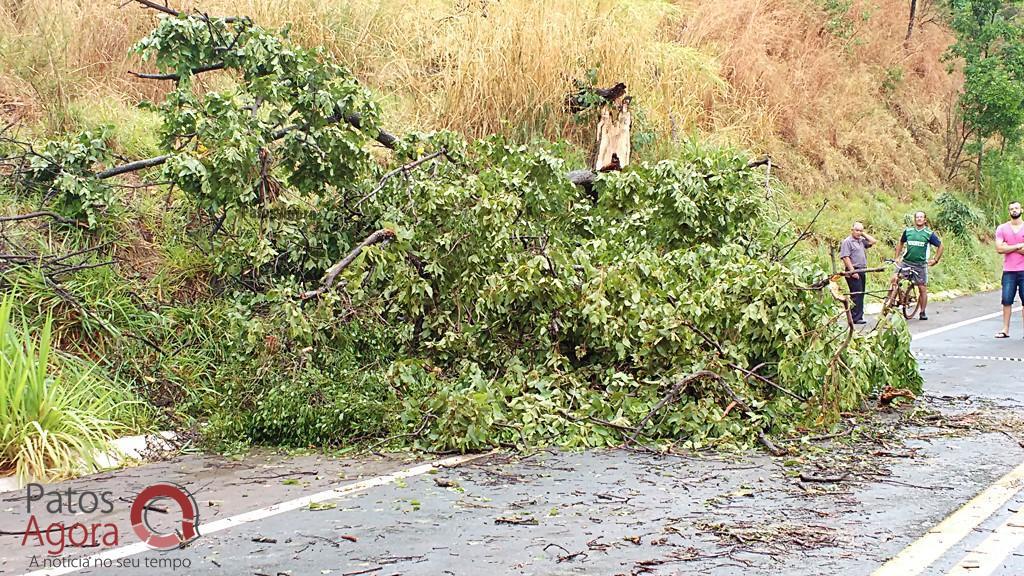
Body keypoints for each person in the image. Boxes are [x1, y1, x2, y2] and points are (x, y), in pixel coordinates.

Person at [894, 211, 943, 320]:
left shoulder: (929, 233)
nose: (919, 219)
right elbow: (900, 243)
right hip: (906, 261)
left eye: (921, 217)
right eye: (917, 217)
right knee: (894, 279)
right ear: (914, 219)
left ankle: (922, 311)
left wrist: (935, 260)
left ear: (925, 220)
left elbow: (940, 246)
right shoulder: (908, 231)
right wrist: (897, 257)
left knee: (922, 288)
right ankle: (891, 301)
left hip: (920, 265)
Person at [994, 201, 1024, 338]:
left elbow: (1004, 248)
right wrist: (1019, 246)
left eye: (1016, 208)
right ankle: (1005, 329)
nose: (1014, 210)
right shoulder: (1002, 228)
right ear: (1009, 211)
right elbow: (999, 248)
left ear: (1021, 210)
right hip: (1009, 270)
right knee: (1006, 300)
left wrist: (1009, 247)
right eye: (1011, 208)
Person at [840, 221, 877, 324]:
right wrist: (852, 271)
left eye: (860, 230)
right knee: (856, 293)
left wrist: (863, 234)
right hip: (853, 270)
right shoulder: (847, 242)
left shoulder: (861, 241)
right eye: (857, 230)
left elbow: (873, 241)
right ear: (852, 230)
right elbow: (845, 257)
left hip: (862, 270)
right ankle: (855, 317)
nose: (858, 232)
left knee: (861, 293)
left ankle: (859, 316)